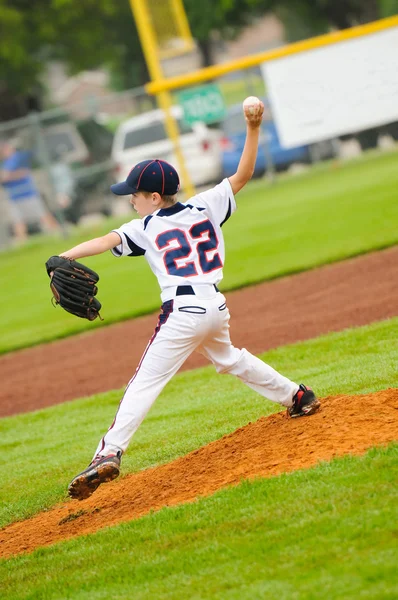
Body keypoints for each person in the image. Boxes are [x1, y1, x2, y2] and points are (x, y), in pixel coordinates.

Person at [63, 100, 320, 501]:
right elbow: (244, 174)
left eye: (134, 193)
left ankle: (108, 453)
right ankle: (297, 396)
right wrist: (253, 128)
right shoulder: (206, 204)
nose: (130, 199)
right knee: (230, 358)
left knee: (145, 382)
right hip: (216, 307)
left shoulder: (144, 226)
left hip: (182, 311)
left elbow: (105, 240)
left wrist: (65, 257)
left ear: (152, 196)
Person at [0, 138, 59, 243]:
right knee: (18, 221)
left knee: (43, 215)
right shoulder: (5, 163)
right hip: (14, 196)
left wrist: (8, 176)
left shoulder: (18, 158)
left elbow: (20, 173)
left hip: (27, 193)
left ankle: (58, 233)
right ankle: (22, 242)